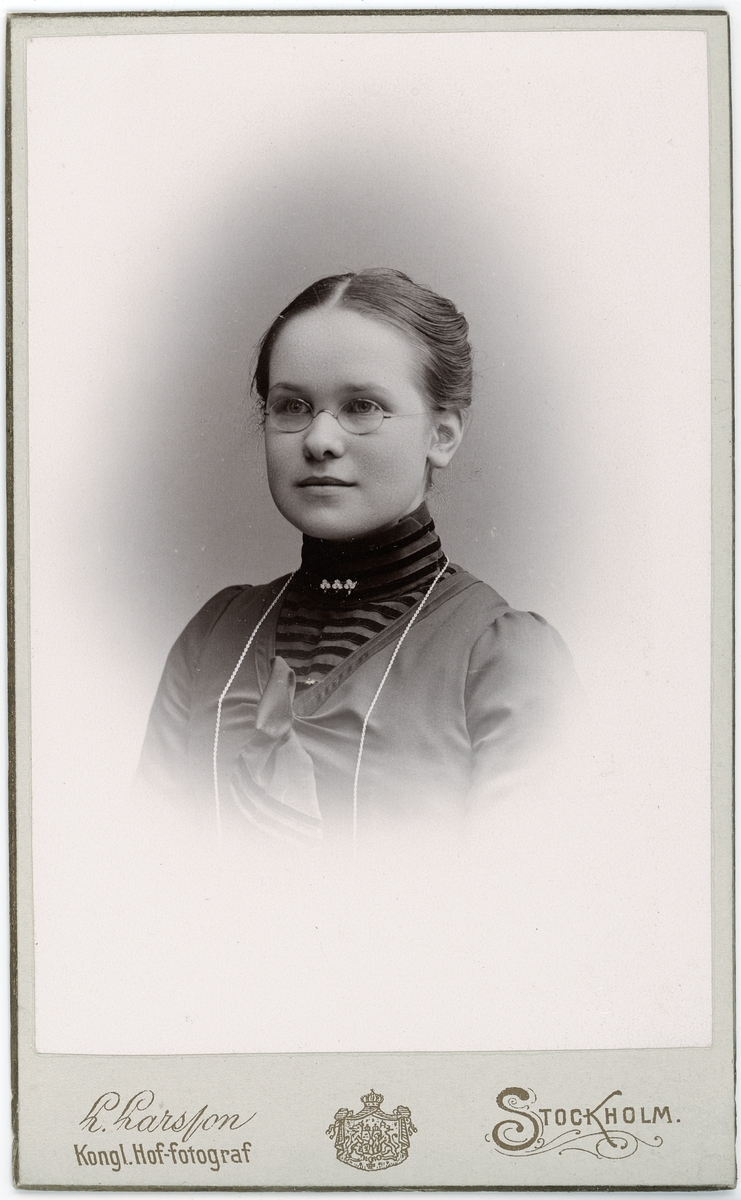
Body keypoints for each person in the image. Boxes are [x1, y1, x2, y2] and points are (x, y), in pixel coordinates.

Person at [136, 268, 577, 848]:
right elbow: (145, 870)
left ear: (442, 435)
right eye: (292, 405)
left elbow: (523, 892)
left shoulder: (501, 660)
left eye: (363, 406)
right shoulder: (214, 637)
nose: (319, 440)